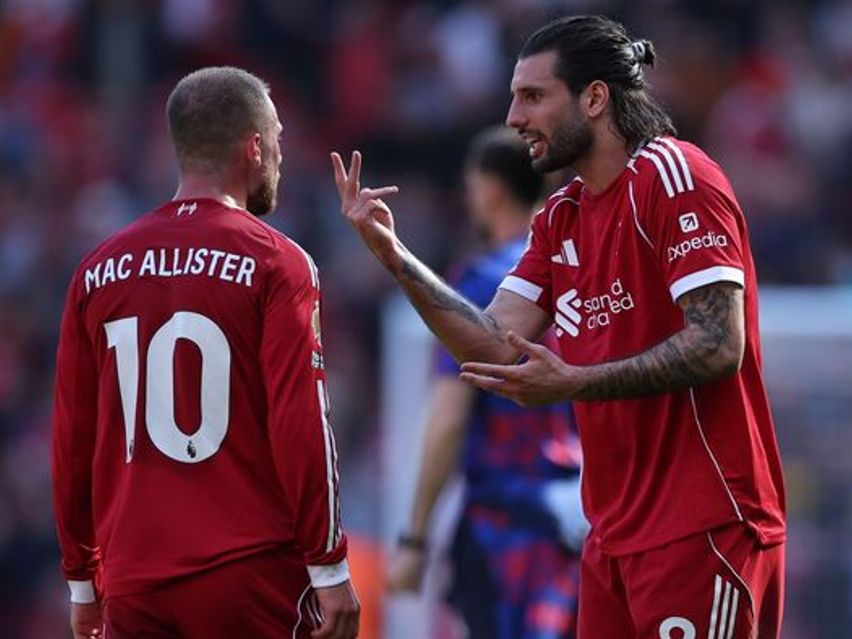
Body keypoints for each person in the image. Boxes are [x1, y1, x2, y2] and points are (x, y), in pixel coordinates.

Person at [332, 14, 786, 639]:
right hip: (611, 537)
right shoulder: (561, 217)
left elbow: (718, 343)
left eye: (532, 96)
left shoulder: (675, 178)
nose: (514, 117)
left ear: (594, 98)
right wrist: (394, 256)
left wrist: (576, 382)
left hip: (702, 523)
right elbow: (493, 342)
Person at [52, 67, 361, 639]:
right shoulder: (276, 262)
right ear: (254, 147)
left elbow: (73, 438)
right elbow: (300, 421)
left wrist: (81, 581)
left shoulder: (96, 271)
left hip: (134, 580)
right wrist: (329, 564)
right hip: (248, 572)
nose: (281, 157)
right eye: (278, 140)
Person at [386, 127, 586, 639]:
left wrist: (415, 539)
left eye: (472, 187)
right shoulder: (576, 274)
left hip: (506, 528)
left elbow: (449, 419)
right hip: (581, 528)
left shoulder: (484, 286)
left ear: (491, 189)